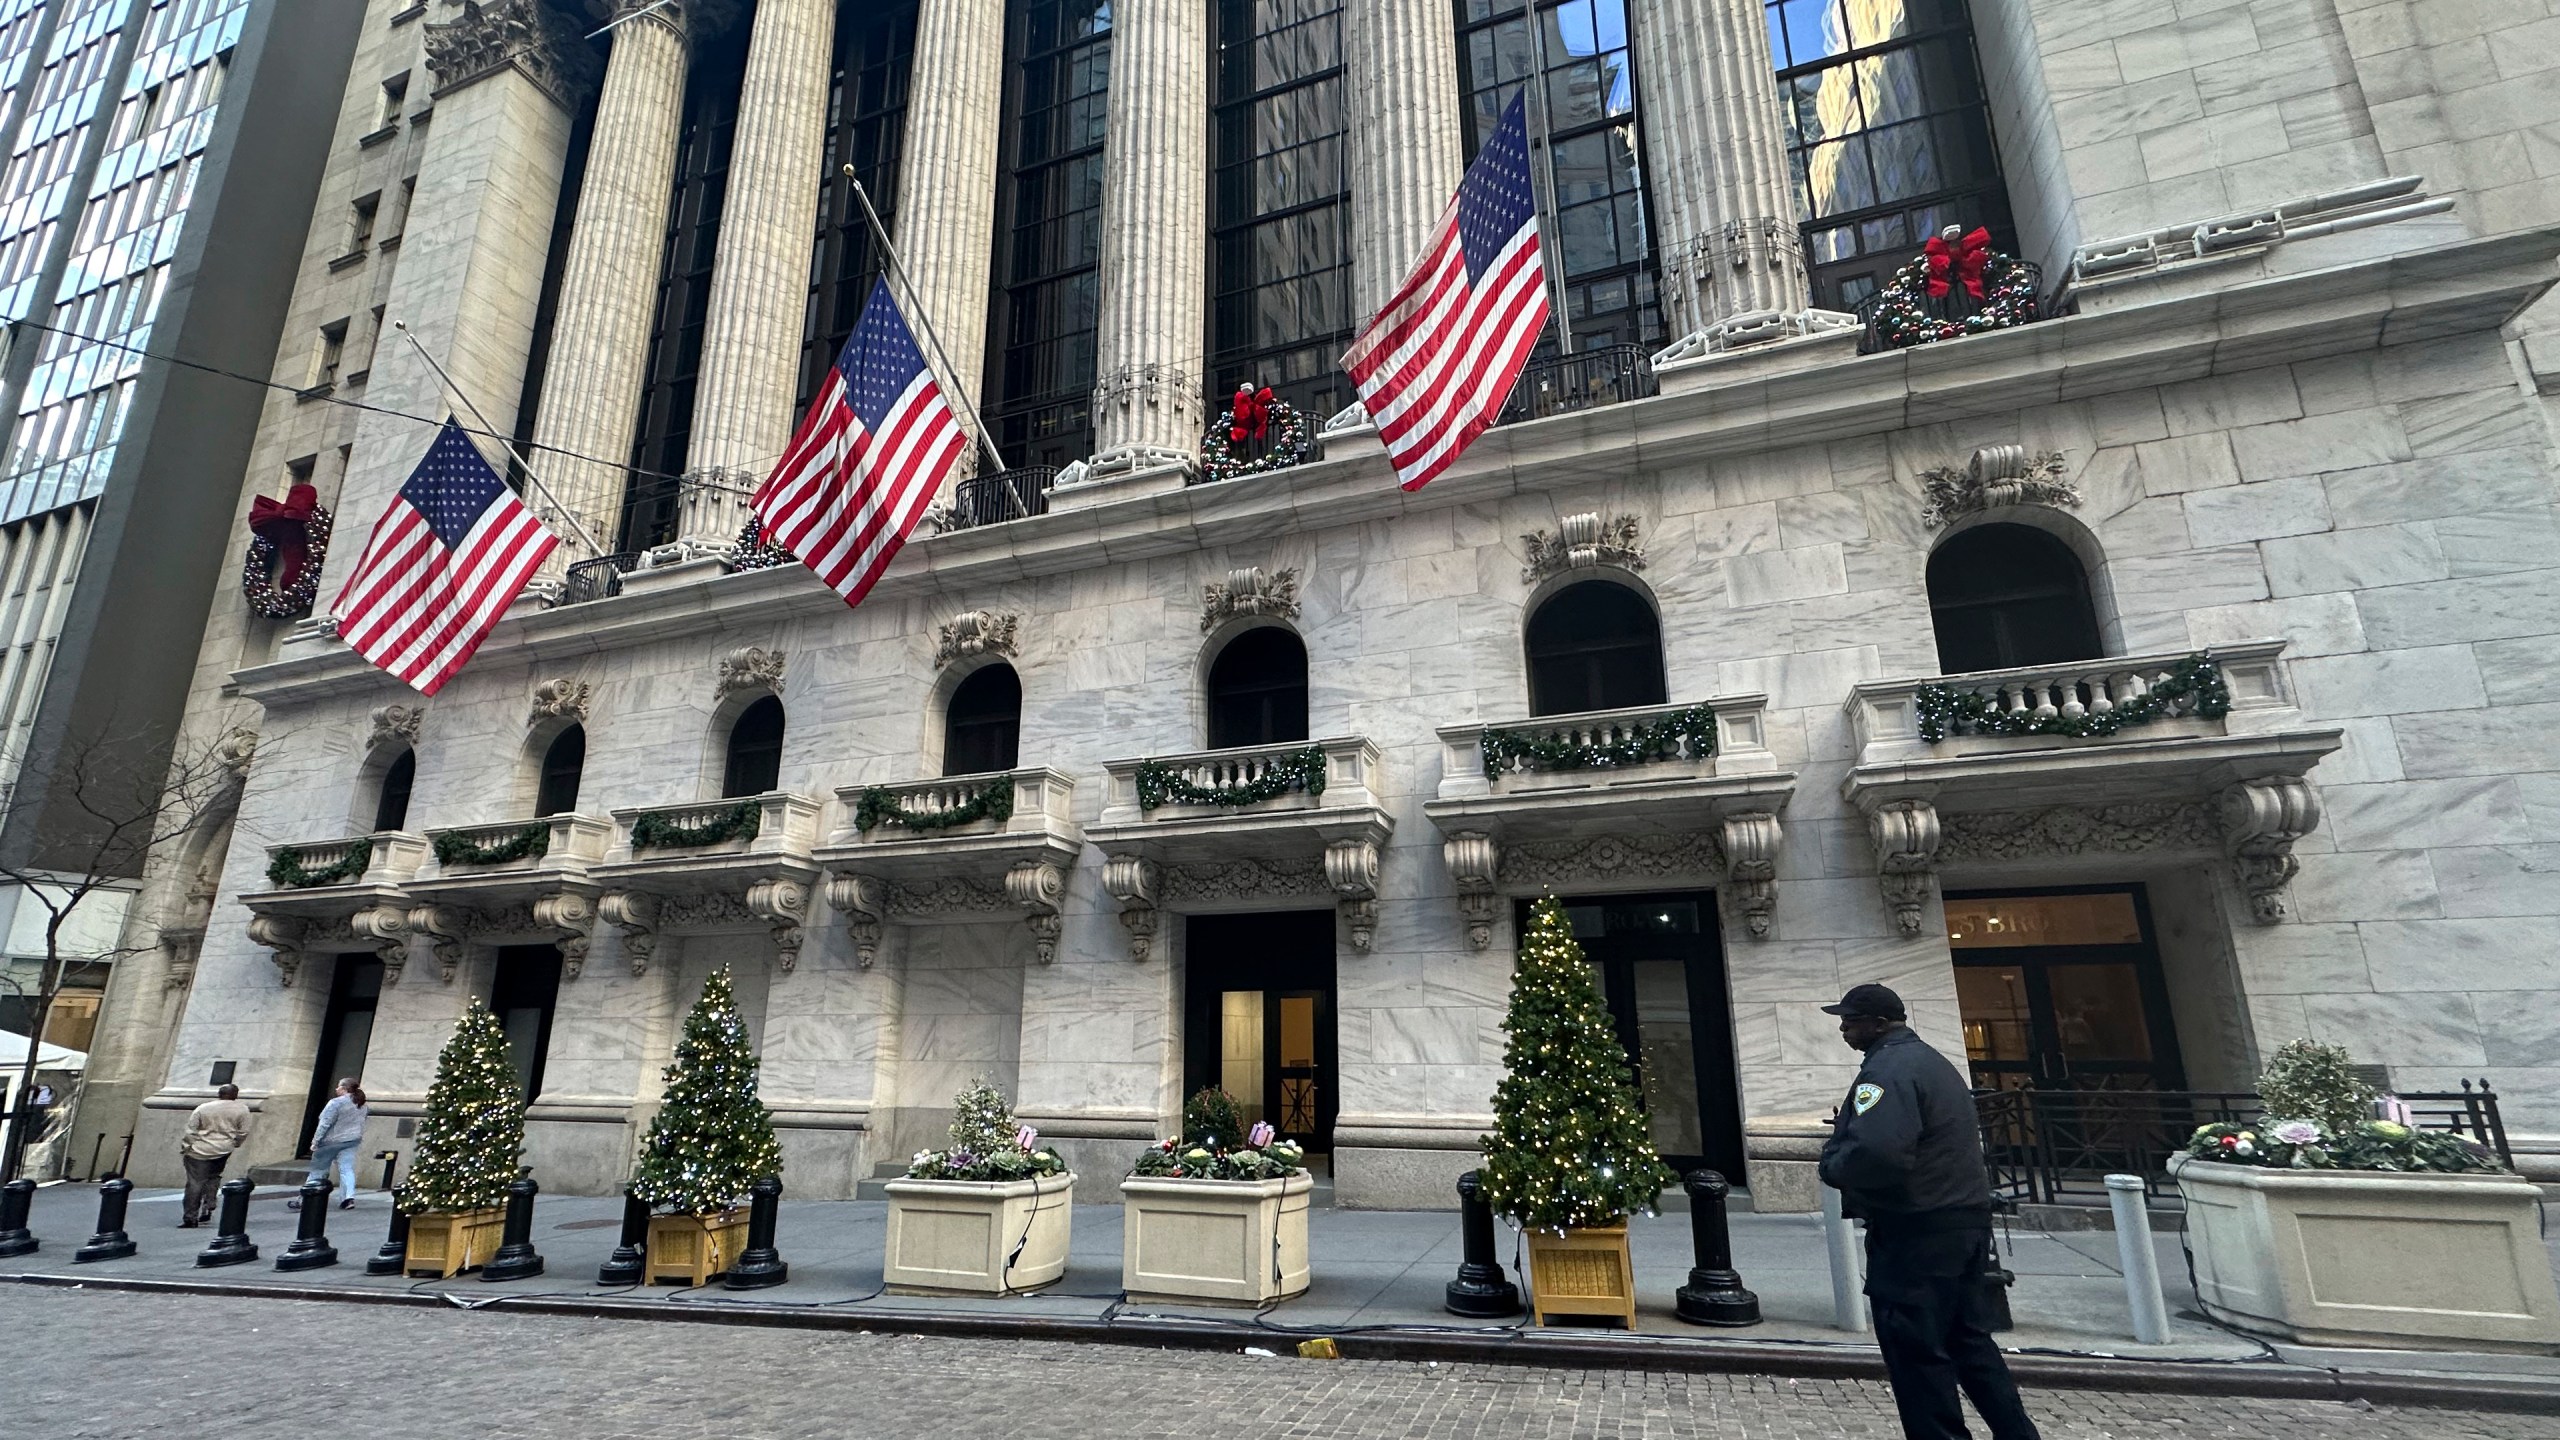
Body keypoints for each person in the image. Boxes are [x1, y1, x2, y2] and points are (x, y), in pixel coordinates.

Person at [1817, 983, 2041, 1440]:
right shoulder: (1929, 1062)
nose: (1843, 1028)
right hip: (1960, 1220)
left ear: (1881, 1024)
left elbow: (1878, 1154)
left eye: (1851, 1020)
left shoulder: (1888, 1071)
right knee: (1967, 1341)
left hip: (1917, 1230)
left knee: (1917, 1352)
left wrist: (1833, 1164)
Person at [178, 1083, 252, 1228]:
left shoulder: (204, 1108)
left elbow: (191, 1130)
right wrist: (235, 1143)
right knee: (214, 1175)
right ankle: (209, 1203)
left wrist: (186, 1147)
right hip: (223, 1149)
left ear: (219, 1093)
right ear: (235, 1094)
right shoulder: (242, 1109)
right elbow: (243, 1131)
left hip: (200, 1149)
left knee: (195, 1183)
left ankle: (190, 1217)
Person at [293, 1078, 368, 1211]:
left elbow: (324, 1123)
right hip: (352, 1140)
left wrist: (315, 1141)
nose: (336, 1089)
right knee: (347, 1169)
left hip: (331, 1141)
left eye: (338, 1087)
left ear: (344, 1088)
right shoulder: (362, 1104)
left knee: (318, 1170)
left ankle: (305, 1198)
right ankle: (348, 1198)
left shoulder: (335, 1103)